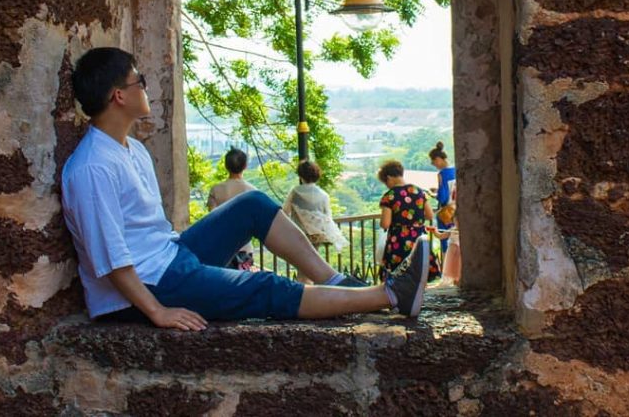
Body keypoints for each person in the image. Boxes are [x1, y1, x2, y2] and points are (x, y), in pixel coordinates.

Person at [61, 47, 431, 330]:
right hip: (146, 288)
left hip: (168, 257)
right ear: (118, 96)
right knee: (265, 286)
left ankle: (335, 282)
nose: (145, 86)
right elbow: (111, 260)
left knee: (251, 204)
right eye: (137, 81)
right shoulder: (92, 167)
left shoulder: (132, 149)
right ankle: (390, 294)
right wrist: (158, 312)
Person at [376, 160, 440, 284]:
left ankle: (401, 300)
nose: (387, 185)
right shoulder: (418, 191)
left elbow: (385, 224)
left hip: (398, 240)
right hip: (418, 238)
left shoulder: (389, 196)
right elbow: (430, 215)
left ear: (389, 177)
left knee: (398, 276)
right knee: (419, 271)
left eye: (386, 182)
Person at [207, 148, 258, 270]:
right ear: (245, 166)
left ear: (226, 166)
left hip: (221, 247)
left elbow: (211, 218)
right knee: (242, 283)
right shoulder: (252, 191)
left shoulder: (216, 190)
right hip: (244, 248)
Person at [282, 160, 348, 252]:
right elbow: (328, 217)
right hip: (318, 235)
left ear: (301, 176)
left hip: (300, 233)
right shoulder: (323, 195)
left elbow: (285, 212)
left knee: (302, 260)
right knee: (313, 256)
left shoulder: (295, 192)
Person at [428, 141, 457, 262]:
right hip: (456, 210)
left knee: (445, 243)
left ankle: (446, 271)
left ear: (439, 159)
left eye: (434, 161)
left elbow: (443, 197)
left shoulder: (442, 174)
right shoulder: (456, 170)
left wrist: (433, 194)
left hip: (446, 213)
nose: (434, 164)